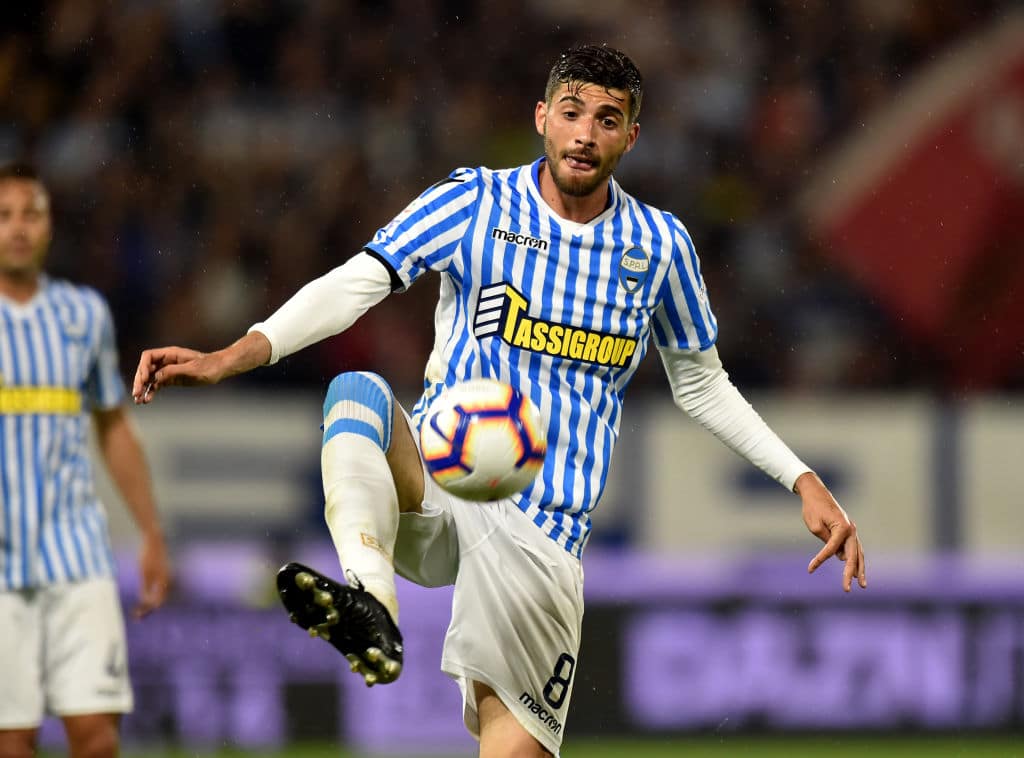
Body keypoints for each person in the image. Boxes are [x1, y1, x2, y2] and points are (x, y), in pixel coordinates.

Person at [132, 45, 866, 757]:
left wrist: (801, 478)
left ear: (631, 137)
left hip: (543, 534)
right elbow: (359, 281)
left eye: (607, 120)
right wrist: (232, 355)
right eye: (572, 112)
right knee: (356, 395)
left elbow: (701, 382)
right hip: (441, 480)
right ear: (542, 117)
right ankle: (371, 602)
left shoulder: (659, 247)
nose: (585, 134)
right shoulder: (475, 201)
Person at [0, 162, 171, 758]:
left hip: (77, 556)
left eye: (31, 214)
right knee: (11, 741)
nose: (18, 228)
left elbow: (113, 425)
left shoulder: (83, 315)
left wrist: (151, 533)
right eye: (4, 215)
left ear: (49, 227)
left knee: (97, 738)